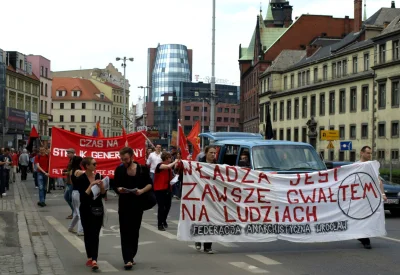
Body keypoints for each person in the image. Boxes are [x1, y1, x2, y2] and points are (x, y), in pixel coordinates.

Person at [114, 147, 153, 270]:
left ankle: (132, 254)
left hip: (137, 204)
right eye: (122, 159)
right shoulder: (119, 170)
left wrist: (141, 191)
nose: (123, 161)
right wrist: (118, 189)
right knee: (124, 231)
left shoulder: (142, 169)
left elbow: (150, 184)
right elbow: (115, 185)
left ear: (132, 157)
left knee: (134, 231)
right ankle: (128, 259)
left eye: (125, 159)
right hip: (124, 204)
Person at [77, 157, 106, 271]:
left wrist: (102, 187)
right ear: (87, 166)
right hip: (85, 209)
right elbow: (83, 197)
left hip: (97, 209)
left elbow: (103, 195)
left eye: (96, 163)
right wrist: (91, 185)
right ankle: (89, 256)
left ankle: (94, 259)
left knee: (95, 234)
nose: (96, 165)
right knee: (88, 234)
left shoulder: (99, 176)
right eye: (94, 164)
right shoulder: (81, 179)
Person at [356, 146, 386, 249]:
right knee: (361, 218)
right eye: (367, 153)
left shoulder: (372, 166)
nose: (369, 155)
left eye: (370, 153)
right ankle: (365, 240)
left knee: (370, 217)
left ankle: (364, 237)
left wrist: (382, 194)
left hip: (370, 197)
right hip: (359, 198)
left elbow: (378, 181)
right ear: (361, 153)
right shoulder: (355, 166)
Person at [195, 145, 217, 254]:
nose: (213, 155)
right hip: (200, 195)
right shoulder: (199, 165)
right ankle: (198, 239)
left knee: (210, 220)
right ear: (206, 153)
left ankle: (208, 246)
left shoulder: (217, 166)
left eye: (214, 153)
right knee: (201, 219)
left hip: (212, 196)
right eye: (211, 153)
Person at [154, 152, 178, 231]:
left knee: (168, 206)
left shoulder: (170, 168)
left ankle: (164, 220)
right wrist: (175, 162)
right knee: (161, 207)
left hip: (168, 189)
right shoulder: (160, 165)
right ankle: (160, 224)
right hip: (160, 189)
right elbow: (167, 166)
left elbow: (171, 171)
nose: (171, 159)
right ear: (166, 158)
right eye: (169, 158)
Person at [68, 156, 84, 236]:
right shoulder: (79, 171)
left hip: (74, 191)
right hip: (79, 192)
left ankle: (71, 227)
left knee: (76, 211)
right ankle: (80, 230)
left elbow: (71, 182)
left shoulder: (71, 171)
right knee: (81, 212)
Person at [64, 148, 76, 219]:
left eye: (69, 153)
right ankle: (74, 211)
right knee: (67, 197)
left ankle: (74, 212)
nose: (67, 154)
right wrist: (66, 170)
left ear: (72, 153)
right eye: (67, 153)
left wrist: (66, 172)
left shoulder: (74, 161)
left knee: (71, 198)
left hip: (72, 182)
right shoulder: (70, 160)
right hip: (68, 181)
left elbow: (74, 171)